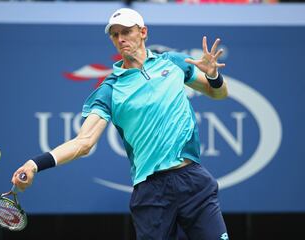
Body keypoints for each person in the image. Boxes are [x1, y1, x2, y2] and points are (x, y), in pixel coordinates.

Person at [12, 8, 229, 240]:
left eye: (126, 31)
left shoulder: (173, 62)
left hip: (193, 181)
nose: (120, 39)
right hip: (152, 193)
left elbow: (218, 94)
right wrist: (34, 164)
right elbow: (83, 142)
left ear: (143, 32)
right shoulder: (110, 89)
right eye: (115, 35)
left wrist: (214, 77)